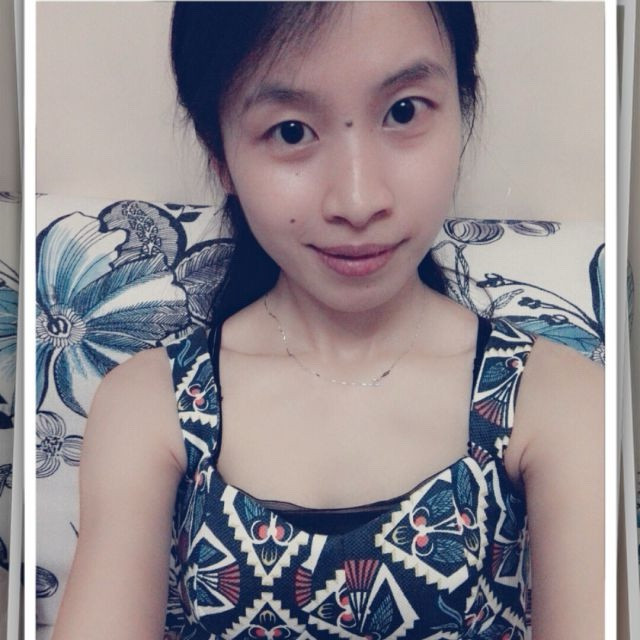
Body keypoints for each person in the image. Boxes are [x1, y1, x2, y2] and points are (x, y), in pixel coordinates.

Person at [52, 3, 604, 639]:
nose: (358, 200)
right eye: (290, 131)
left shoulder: (556, 398)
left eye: (404, 112)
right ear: (219, 154)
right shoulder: (150, 404)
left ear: (462, 107)